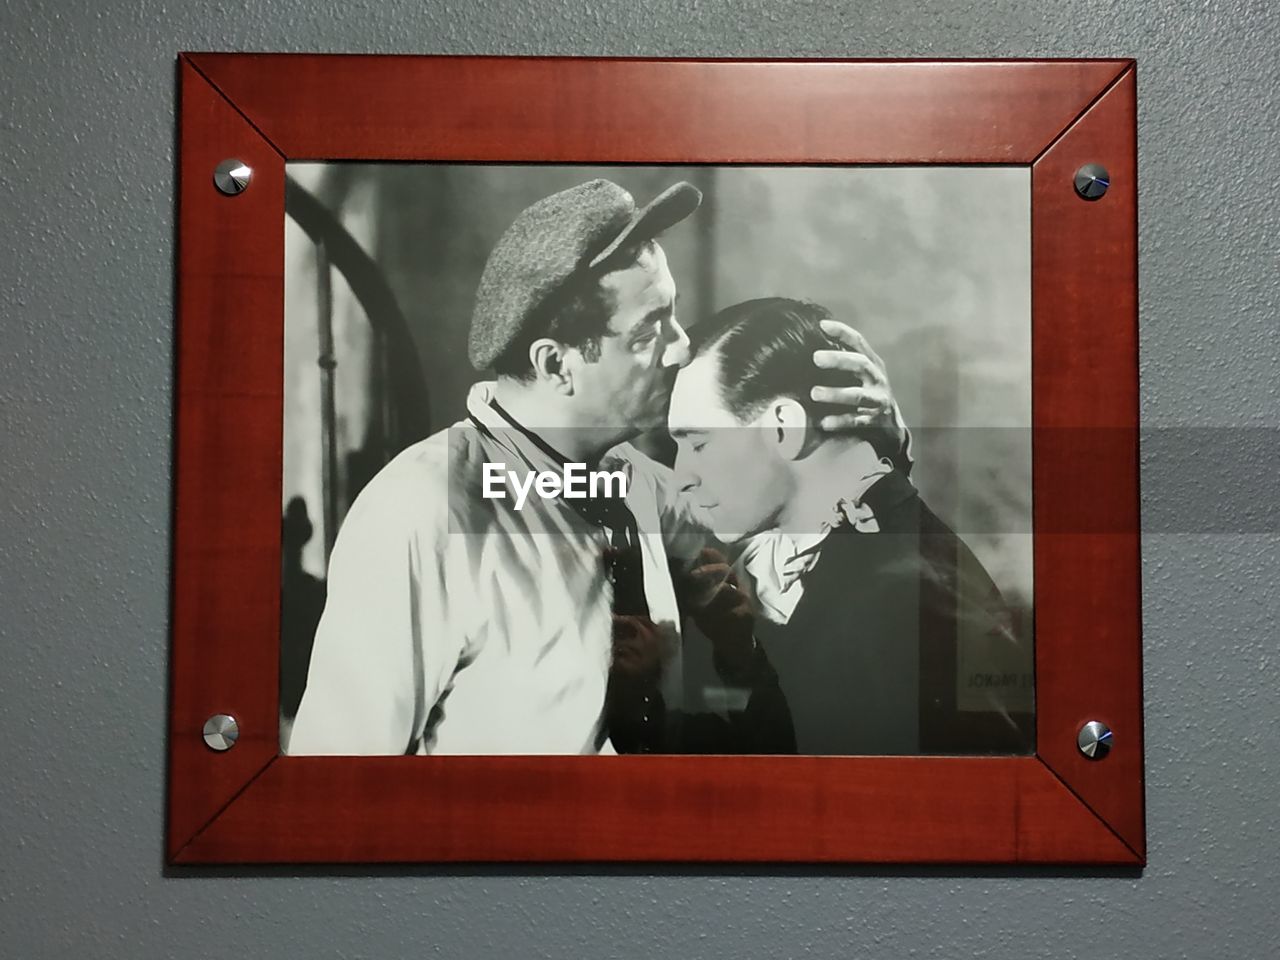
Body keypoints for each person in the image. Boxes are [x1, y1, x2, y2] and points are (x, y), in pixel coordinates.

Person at [288, 181, 903, 756]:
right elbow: (338, 776)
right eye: (649, 330)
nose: (683, 346)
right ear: (556, 366)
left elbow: (796, 577)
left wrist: (876, 449)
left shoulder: (639, 484)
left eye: (674, 313)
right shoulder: (421, 511)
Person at [667, 297, 1032, 755]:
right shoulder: (772, 564)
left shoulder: (902, 595)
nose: (682, 476)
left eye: (697, 444)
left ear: (783, 428)